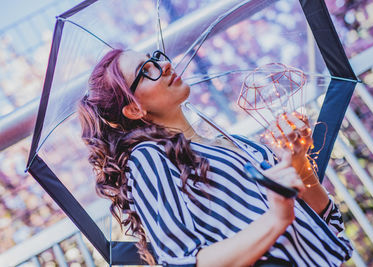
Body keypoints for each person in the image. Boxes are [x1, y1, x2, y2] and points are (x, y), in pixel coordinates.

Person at [78, 48, 353, 267]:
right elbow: (183, 261)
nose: (164, 66)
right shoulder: (148, 158)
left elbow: (321, 215)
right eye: (145, 71)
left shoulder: (236, 144)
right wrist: (276, 218)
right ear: (134, 110)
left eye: (155, 58)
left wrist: (298, 161)